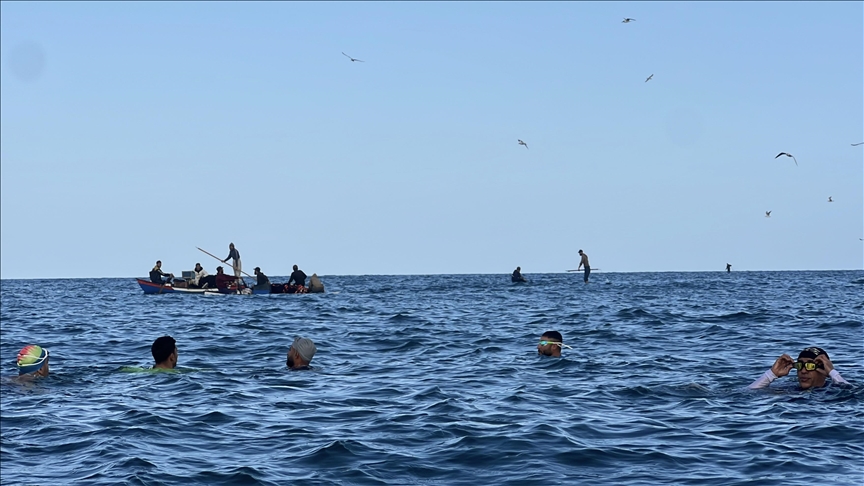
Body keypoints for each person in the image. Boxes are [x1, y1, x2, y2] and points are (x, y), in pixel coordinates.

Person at [748, 347, 850, 390]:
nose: (803, 371)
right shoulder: (788, 388)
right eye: (799, 365)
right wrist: (771, 375)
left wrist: (832, 373)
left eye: (810, 366)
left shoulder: (834, 390)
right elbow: (747, 393)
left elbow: (853, 394)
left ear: (823, 370)